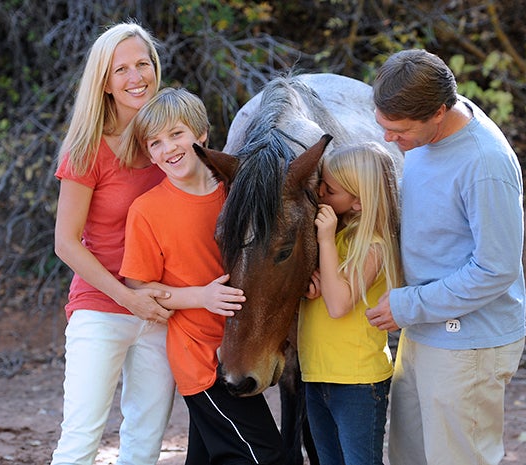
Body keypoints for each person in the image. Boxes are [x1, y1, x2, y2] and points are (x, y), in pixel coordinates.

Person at [365, 49, 526, 465]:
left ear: (439, 112)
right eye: (384, 127)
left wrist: (407, 304)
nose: (389, 140)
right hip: (425, 329)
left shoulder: (485, 163)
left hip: (467, 344)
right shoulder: (425, 132)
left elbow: (496, 269)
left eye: (398, 131)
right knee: (408, 457)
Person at [119, 87, 285, 465]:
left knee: (210, 455)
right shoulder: (147, 210)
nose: (168, 148)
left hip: (243, 344)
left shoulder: (237, 189)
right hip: (201, 356)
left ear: (201, 134)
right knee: (266, 456)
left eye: (176, 134)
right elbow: (139, 287)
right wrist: (200, 297)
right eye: (155, 142)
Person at [52, 22, 176, 465]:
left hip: (161, 311)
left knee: (144, 444)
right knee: (81, 440)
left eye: (143, 64)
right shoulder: (86, 148)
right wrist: (128, 298)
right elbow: (65, 244)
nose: (135, 76)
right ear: (104, 82)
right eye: (120, 69)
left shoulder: (170, 142)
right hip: (100, 309)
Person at [297, 142, 403, 465]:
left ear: (358, 202)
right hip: (316, 374)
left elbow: (339, 304)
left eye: (329, 190)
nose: (320, 195)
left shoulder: (374, 245)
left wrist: (326, 240)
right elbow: (326, 290)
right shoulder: (335, 235)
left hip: (357, 382)